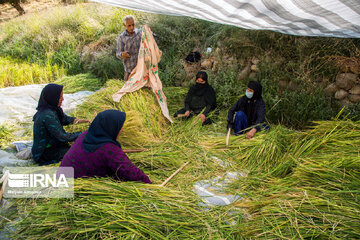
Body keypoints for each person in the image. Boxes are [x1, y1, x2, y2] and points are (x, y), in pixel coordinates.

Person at [59, 110, 151, 184]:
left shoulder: (88, 134)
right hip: (71, 186)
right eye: (119, 127)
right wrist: (150, 184)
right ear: (111, 127)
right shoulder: (108, 149)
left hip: (62, 175)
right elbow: (130, 172)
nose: (121, 130)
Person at [32, 84, 90, 166]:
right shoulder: (47, 115)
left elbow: (65, 119)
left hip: (55, 145)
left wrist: (82, 121)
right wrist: (83, 134)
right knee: (81, 153)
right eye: (60, 97)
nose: (62, 99)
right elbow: (62, 137)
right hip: (46, 152)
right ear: (52, 97)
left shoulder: (54, 109)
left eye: (62, 96)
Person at [116, 15, 142, 81]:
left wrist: (149, 31)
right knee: (128, 89)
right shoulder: (122, 37)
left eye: (133, 25)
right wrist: (122, 54)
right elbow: (118, 53)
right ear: (124, 25)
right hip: (129, 70)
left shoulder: (140, 33)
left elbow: (153, 39)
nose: (132, 27)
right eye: (129, 25)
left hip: (141, 69)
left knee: (145, 90)